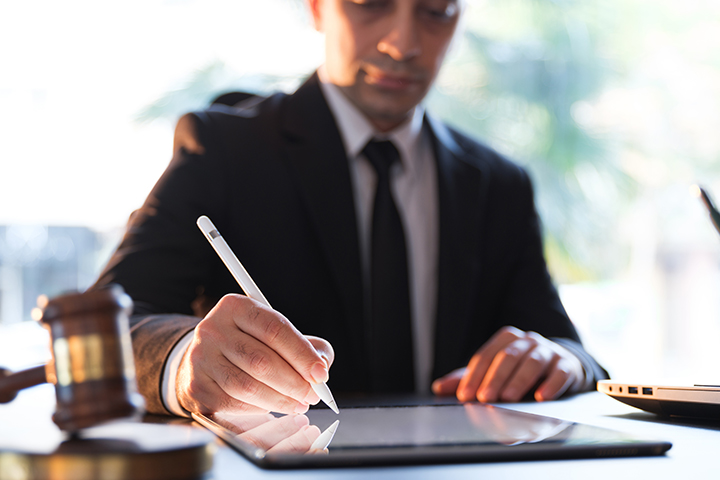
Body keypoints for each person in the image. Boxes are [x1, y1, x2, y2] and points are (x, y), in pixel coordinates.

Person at [92, 0, 607, 418]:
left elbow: (569, 347)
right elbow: (104, 326)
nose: (401, 45)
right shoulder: (225, 148)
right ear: (316, 8)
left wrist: (558, 360)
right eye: (370, 4)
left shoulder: (499, 185)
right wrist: (185, 363)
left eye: (436, 11)